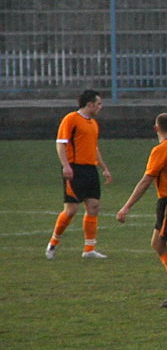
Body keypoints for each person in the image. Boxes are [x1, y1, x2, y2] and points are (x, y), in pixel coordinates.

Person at [116, 113, 167, 308]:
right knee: (158, 244)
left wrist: (127, 206)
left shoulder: (161, 150)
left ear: (156, 128)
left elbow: (146, 181)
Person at [45, 89, 113, 260]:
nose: (100, 107)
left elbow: (93, 148)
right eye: (98, 104)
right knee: (71, 210)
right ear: (89, 105)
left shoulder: (93, 124)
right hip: (74, 169)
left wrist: (104, 167)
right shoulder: (71, 119)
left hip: (90, 170)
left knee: (93, 207)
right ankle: (53, 244)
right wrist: (66, 166)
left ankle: (89, 249)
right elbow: (61, 144)